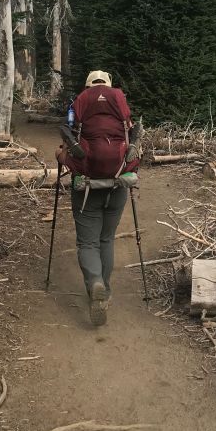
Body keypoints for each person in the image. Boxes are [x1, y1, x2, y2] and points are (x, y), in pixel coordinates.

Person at [56, 70, 138, 326]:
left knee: (88, 243)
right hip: (118, 182)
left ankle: (95, 283)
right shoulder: (118, 99)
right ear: (109, 85)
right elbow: (131, 136)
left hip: (86, 185)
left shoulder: (80, 101)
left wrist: (61, 156)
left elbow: (70, 138)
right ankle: (106, 290)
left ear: (88, 85)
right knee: (106, 238)